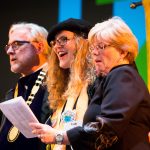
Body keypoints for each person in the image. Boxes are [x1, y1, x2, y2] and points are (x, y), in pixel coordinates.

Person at [30, 16, 150, 150]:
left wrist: (59, 136)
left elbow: (107, 129)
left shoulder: (122, 75)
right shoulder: (112, 77)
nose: (94, 52)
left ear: (123, 51)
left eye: (101, 46)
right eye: (93, 47)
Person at [31, 18, 93, 150]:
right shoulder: (58, 89)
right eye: (54, 42)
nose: (57, 46)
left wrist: (58, 137)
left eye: (64, 39)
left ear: (83, 42)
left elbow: (100, 131)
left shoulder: (98, 81)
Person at [0, 22, 51, 150]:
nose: (10, 51)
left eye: (16, 44)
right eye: (9, 46)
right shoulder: (12, 92)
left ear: (39, 47)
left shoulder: (56, 85)